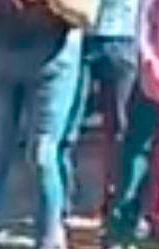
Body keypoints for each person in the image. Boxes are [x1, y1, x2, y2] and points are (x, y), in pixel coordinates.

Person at [0, 0, 82, 249]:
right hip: (1, 52)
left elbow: (85, 13)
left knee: (43, 154)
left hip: (54, 55)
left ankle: (47, 248)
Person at [59, 0, 141, 223]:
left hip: (118, 36)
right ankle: (63, 204)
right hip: (92, 36)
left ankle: (112, 203)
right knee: (69, 128)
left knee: (118, 132)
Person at [97, 0, 159, 249]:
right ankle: (119, 239)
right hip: (153, 76)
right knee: (135, 158)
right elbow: (144, 18)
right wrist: (148, 59)